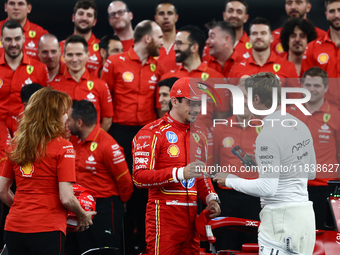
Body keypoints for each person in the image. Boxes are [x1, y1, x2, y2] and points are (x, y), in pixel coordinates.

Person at [214, 72, 316, 255]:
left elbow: (267, 188)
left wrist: (230, 180)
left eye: (246, 97)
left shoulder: (267, 134)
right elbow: (311, 172)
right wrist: (270, 162)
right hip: (305, 218)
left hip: (281, 221)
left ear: (257, 98)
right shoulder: (300, 125)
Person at [0, 87, 96, 255]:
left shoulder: (16, 143)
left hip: (14, 228)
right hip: (47, 229)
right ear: (53, 116)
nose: (67, 116)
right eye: (64, 112)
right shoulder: (63, 146)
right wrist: (83, 215)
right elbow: (66, 197)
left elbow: (2, 190)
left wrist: (23, 209)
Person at [132, 76, 221, 255]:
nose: (197, 109)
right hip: (163, 218)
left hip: (192, 221)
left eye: (199, 104)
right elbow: (139, 178)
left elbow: (200, 175)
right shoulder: (151, 132)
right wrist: (180, 173)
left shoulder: (200, 135)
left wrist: (211, 198)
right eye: (191, 103)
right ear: (174, 101)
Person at [101, 20, 164, 254]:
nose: (162, 43)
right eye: (159, 38)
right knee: (121, 189)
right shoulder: (114, 62)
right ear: (147, 38)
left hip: (146, 136)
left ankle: (143, 243)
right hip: (119, 133)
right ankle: (121, 244)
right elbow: (103, 100)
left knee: (144, 190)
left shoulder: (157, 67)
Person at [67, 100, 134, 255]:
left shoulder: (108, 145)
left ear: (79, 122)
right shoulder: (72, 140)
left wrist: (121, 202)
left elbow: (125, 181)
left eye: (68, 120)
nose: (66, 123)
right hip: (76, 206)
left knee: (104, 250)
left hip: (103, 207)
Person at [288, 67, 340, 230]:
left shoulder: (336, 116)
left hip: (325, 189)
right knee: (296, 237)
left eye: (317, 85)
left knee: (326, 240)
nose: (312, 89)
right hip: (295, 188)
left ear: (326, 87)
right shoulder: (290, 114)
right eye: (308, 85)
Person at [212, 83, 260, 251]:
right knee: (226, 245)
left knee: (253, 246)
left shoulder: (265, 127)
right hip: (227, 197)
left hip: (254, 196)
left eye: (248, 98)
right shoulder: (219, 127)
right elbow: (212, 165)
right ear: (232, 101)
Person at [50, 35, 113, 132]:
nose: (74, 59)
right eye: (70, 55)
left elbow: (107, 120)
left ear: (88, 56)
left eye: (79, 54)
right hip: (62, 144)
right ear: (63, 57)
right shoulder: (53, 86)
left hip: (91, 146)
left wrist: (93, 141)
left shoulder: (101, 85)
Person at [228, 17, 300, 96]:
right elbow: (231, 101)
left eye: (263, 33)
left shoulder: (288, 67)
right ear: (249, 39)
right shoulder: (236, 68)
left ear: (271, 38)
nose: (259, 36)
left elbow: (296, 102)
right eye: (255, 33)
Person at [0, 20, 49, 136]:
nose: (13, 44)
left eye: (17, 39)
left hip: (27, 134)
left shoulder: (40, 68)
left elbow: (45, 105)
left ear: (23, 38)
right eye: (8, 39)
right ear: (1, 40)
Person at [301, 0, 340, 108]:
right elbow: (306, 86)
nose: (336, 15)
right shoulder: (312, 48)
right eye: (332, 11)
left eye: (339, 10)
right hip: (323, 113)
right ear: (327, 15)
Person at [60, 0, 101, 73]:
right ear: (73, 18)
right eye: (81, 14)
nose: (84, 18)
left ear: (94, 22)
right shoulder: (60, 47)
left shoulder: (102, 48)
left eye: (89, 15)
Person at [154, 0, 179, 73]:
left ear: (176, 17)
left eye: (170, 13)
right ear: (156, 18)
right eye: (161, 14)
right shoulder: (150, 45)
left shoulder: (187, 43)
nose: (165, 17)